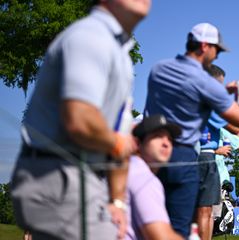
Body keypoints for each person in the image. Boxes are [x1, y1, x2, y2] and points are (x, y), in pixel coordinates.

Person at [10, 1, 151, 239]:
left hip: (88, 178)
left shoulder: (121, 55)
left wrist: (118, 201)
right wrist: (116, 142)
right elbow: (81, 120)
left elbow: (119, 130)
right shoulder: (90, 36)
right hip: (58, 175)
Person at [143, 22, 239, 237]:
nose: (217, 56)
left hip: (151, 153)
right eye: (217, 49)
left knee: (158, 219)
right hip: (185, 155)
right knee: (184, 224)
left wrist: (218, 92)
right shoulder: (204, 81)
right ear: (204, 46)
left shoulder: (159, 68)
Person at [195, 64, 239, 240]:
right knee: (205, 213)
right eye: (219, 84)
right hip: (202, 161)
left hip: (199, 162)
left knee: (207, 213)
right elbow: (238, 124)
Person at [126, 115, 183, 240]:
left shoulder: (130, 168)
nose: (166, 143)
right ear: (138, 143)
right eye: (157, 136)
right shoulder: (144, 177)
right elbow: (161, 237)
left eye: (170, 139)